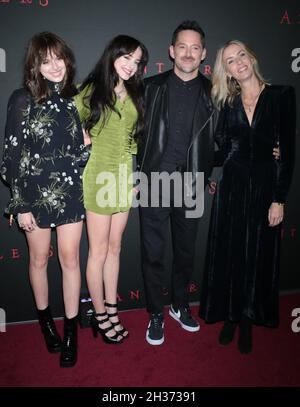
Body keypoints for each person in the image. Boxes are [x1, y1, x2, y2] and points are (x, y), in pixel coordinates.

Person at [199, 40, 296, 354]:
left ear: (251, 57)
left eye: (241, 54)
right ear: (226, 71)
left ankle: (248, 318)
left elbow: (289, 153)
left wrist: (279, 199)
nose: (238, 62)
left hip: (266, 186)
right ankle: (231, 314)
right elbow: (225, 150)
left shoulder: (282, 95)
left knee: (257, 254)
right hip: (233, 185)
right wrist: (192, 158)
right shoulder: (228, 104)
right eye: (230, 60)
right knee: (232, 253)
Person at [0, 32, 90, 367]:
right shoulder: (22, 98)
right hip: (34, 193)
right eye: (45, 60)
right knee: (38, 261)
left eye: (58, 58)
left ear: (67, 59)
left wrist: (87, 146)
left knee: (70, 261)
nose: (54, 66)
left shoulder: (77, 100)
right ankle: (46, 324)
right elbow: (12, 158)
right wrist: (19, 204)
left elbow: (78, 157)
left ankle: (70, 334)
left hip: (69, 191)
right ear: (35, 66)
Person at [137, 21, 218, 345]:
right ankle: (157, 312)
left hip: (191, 184)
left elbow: (224, 139)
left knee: (185, 253)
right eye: (182, 46)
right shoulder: (150, 87)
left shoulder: (215, 92)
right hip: (155, 181)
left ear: (203, 54)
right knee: (153, 254)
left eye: (194, 47)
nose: (188, 52)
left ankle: (180, 305)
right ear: (171, 51)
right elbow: (131, 133)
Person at [75, 35, 148, 344]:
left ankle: (113, 308)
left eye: (137, 61)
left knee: (116, 248)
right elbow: (67, 132)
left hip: (123, 179)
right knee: (99, 250)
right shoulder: (90, 91)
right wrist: (83, 139)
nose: (131, 66)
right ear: (113, 55)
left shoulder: (135, 92)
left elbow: (133, 141)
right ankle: (100, 313)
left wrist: (133, 180)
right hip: (97, 177)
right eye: (127, 58)